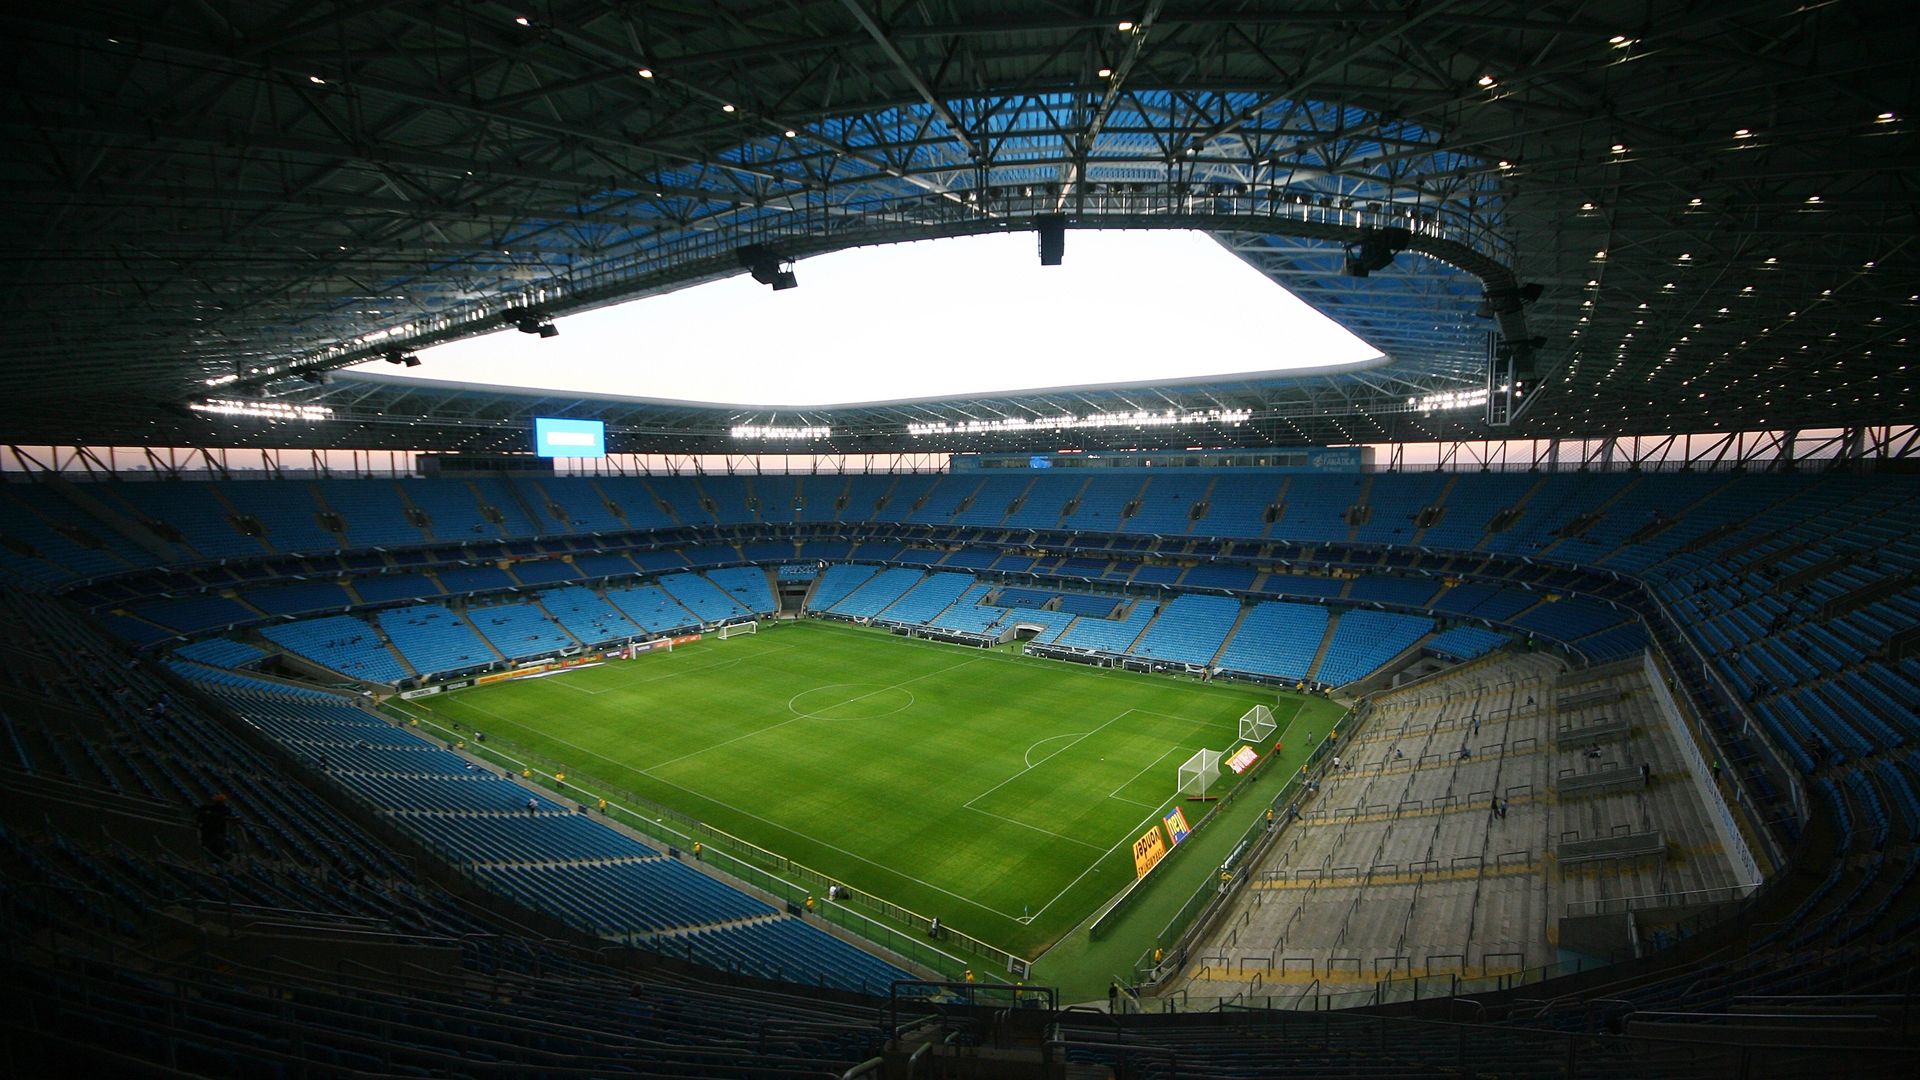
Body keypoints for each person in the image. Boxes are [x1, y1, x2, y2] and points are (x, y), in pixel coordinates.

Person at [195, 794, 234, 859]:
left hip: (217, 829)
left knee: (217, 843)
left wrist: (210, 814)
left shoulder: (224, 809)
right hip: (210, 829)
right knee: (211, 843)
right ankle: (212, 856)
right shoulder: (210, 808)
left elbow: (225, 814)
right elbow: (200, 812)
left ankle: (216, 856)